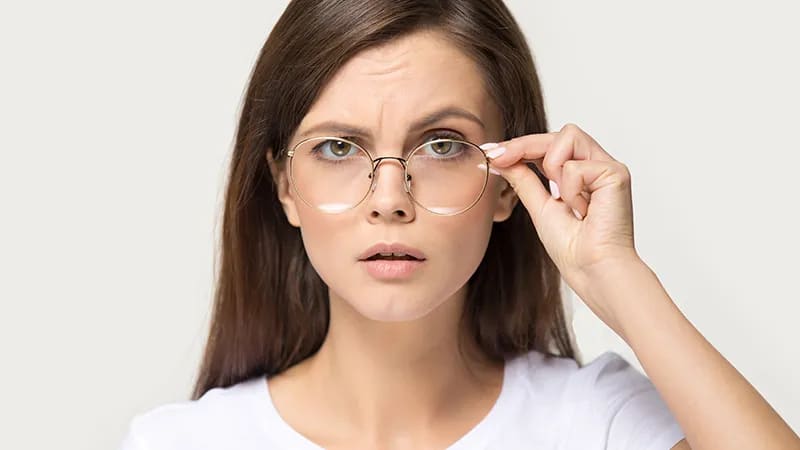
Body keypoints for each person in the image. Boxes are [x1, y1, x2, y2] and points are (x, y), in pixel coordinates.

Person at [118, 1, 799, 449]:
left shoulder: (595, 423)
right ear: (283, 186)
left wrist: (616, 276)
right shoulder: (180, 442)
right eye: (338, 147)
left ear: (508, 183)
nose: (390, 199)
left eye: (442, 145)